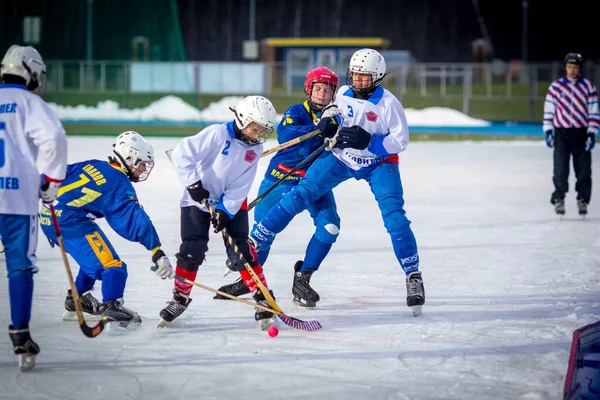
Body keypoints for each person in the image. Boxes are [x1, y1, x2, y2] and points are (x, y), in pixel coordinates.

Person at [249, 49, 425, 316]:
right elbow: (335, 110)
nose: (358, 80)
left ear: (377, 77)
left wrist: (371, 142)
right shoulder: (342, 92)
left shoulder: (389, 104)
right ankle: (257, 238)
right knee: (302, 192)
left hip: (379, 163)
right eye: (354, 74)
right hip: (342, 158)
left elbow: (401, 141)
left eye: (364, 77)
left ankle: (413, 275)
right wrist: (330, 121)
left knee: (395, 217)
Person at [215, 67, 342, 308]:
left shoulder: (337, 117)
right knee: (263, 232)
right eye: (318, 88)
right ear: (309, 89)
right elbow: (286, 135)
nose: (322, 94)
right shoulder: (296, 111)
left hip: (315, 182)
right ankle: (249, 279)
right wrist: (319, 130)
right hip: (281, 176)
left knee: (330, 227)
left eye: (328, 90)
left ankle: (303, 279)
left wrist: (335, 129)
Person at [159, 95, 279, 330]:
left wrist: (225, 209)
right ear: (243, 119)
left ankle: (263, 297)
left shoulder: (255, 149)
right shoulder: (217, 134)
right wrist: (193, 184)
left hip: (231, 203)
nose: (258, 134)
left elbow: (242, 183)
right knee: (191, 250)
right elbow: (182, 153)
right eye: (256, 128)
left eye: (263, 130)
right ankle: (179, 299)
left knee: (242, 252)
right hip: (196, 201)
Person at [40, 131, 175, 330]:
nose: (144, 168)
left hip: (50, 215)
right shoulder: (119, 182)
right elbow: (135, 217)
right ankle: (111, 306)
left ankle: (77, 299)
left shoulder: (94, 164)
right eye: (141, 163)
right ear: (128, 158)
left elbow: (54, 175)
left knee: (94, 257)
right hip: (70, 222)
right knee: (113, 267)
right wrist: (156, 250)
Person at [0, 44, 68, 371]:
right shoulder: (28, 102)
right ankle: (20, 335)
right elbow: (54, 137)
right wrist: (52, 181)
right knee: (19, 266)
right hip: (15, 197)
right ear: (30, 71)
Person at [544, 52, 600, 216]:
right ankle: (559, 198)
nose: (572, 71)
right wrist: (548, 130)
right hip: (562, 133)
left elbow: (594, 112)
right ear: (565, 68)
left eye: (575, 67)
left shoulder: (588, 87)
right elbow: (549, 109)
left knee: (583, 170)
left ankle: (583, 198)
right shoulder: (556, 87)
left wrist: (591, 133)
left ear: (579, 68)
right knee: (560, 169)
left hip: (580, 132)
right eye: (569, 67)